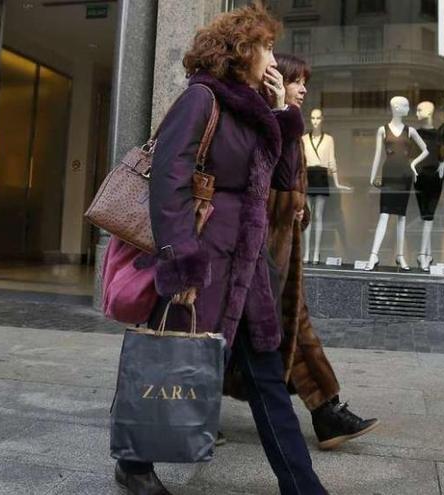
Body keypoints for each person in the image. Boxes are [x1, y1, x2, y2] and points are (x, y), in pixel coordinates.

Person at [113, 5, 327, 495]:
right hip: (203, 258)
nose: (274, 57)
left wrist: (283, 114)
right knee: (170, 357)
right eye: (267, 47)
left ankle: (302, 484)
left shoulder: (255, 109)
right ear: (241, 51)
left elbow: (279, 178)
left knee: (268, 374)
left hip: (250, 264)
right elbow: (169, 180)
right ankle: (133, 461)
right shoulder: (202, 99)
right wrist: (181, 262)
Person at [224, 53, 379, 450]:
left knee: (292, 330)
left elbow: (291, 189)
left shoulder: (284, 122)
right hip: (258, 255)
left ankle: (327, 412)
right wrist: (292, 203)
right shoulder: (265, 122)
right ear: (275, 82)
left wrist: (299, 208)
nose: (304, 89)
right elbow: (269, 189)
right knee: (251, 335)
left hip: (281, 252)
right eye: (297, 81)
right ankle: (194, 409)